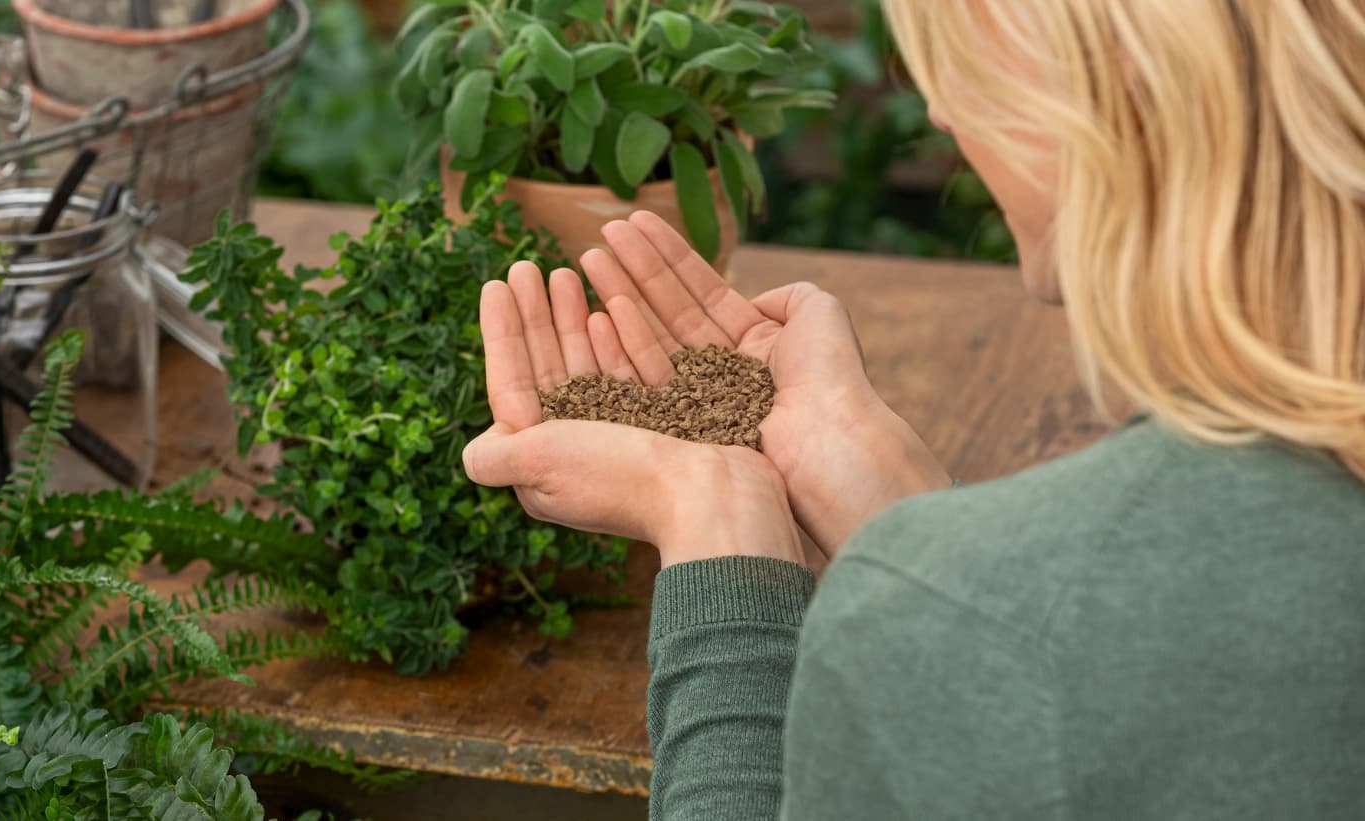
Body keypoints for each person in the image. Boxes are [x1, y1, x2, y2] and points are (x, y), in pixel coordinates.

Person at [461, 0, 1365, 818]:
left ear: (1120, 76)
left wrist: (717, 529)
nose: (940, 111)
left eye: (966, 60)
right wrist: (883, 495)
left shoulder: (953, 624)